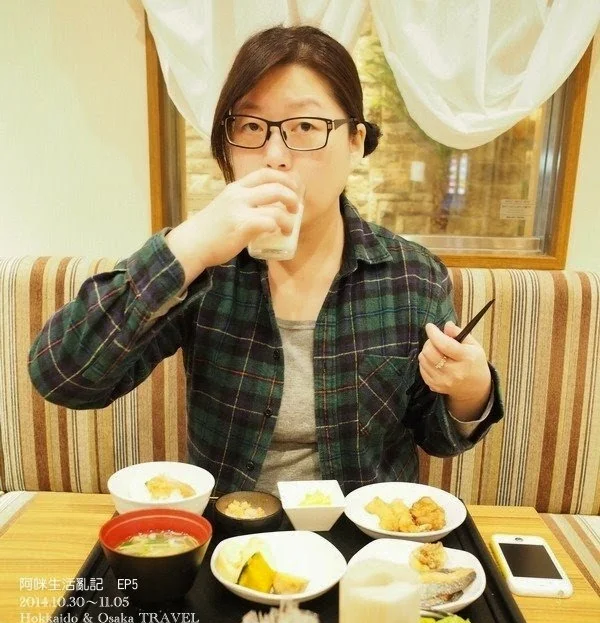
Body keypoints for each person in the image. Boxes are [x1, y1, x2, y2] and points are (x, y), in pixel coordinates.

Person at [29, 25, 503, 496]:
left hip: (362, 533)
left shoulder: (412, 274)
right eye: (252, 127)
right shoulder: (206, 265)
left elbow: (435, 436)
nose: (275, 155)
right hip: (231, 533)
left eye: (305, 127)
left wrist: (470, 388)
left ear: (355, 141)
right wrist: (189, 246)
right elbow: (63, 378)